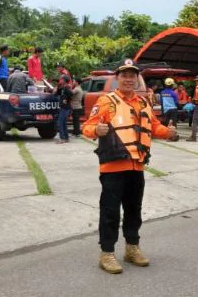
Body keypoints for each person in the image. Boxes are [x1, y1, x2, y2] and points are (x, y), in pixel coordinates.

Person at [82, 58, 177, 274]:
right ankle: (107, 253)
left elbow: (153, 126)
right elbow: (87, 126)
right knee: (110, 212)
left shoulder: (143, 102)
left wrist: (169, 133)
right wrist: (97, 130)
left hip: (137, 167)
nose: (128, 79)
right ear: (117, 78)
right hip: (113, 168)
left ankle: (132, 248)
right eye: (124, 75)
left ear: (136, 78)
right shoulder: (107, 101)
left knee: (134, 210)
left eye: (132, 75)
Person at [54, 75, 73, 143]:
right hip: (62, 107)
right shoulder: (62, 88)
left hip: (66, 108)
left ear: (64, 80)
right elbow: (56, 94)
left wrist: (67, 88)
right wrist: (58, 87)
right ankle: (66, 138)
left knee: (60, 123)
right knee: (63, 123)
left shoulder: (67, 88)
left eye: (61, 79)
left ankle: (62, 138)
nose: (60, 80)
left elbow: (71, 94)